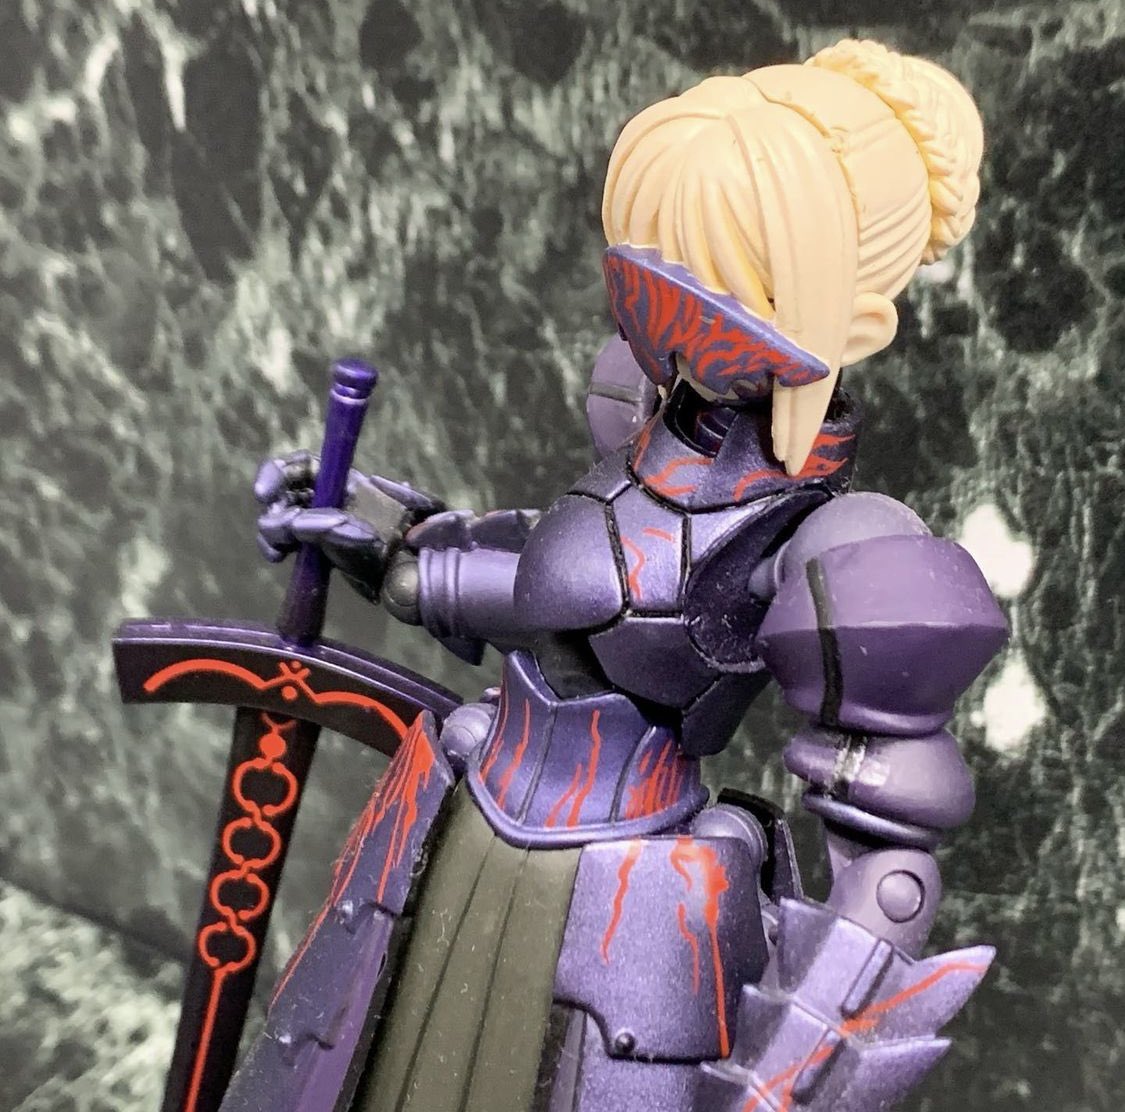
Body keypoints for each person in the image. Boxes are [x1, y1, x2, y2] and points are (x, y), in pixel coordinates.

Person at [223, 38, 1006, 1112]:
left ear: (856, 324)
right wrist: (401, 550)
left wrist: (788, 1073)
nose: (669, 312)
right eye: (655, 266)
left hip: (629, 912)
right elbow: (564, 600)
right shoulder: (642, 421)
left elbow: (891, 867)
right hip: (452, 824)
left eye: (722, 287)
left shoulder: (840, 545)